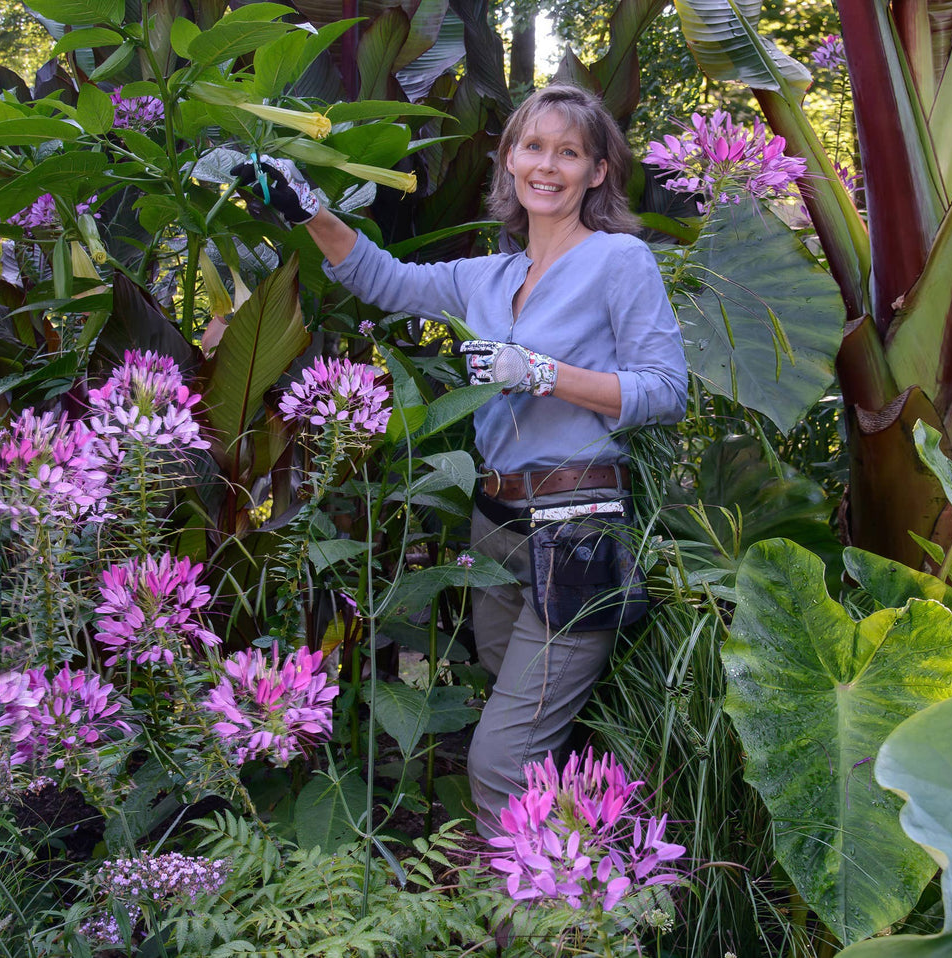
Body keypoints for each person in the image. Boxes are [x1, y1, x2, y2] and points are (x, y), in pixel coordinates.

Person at [232, 84, 688, 836]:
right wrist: (304, 207)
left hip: (575, 530)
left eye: (568, 152)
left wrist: (539, 372)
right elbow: (384, 281)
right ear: (508, 160)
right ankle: (562, 906)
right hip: (496, 532)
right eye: (532, 147)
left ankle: (523, 921)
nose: (547, 165)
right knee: (534, 757)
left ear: (598, 172)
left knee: (500, 761)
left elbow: (666, 390)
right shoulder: (488, 275)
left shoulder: (619, 260)